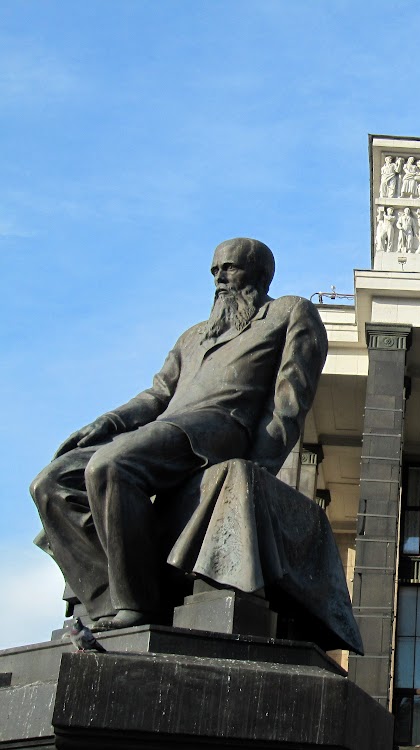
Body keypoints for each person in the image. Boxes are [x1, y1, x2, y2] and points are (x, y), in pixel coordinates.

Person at [30, 238, 326, 631]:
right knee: (50, 483)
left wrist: (260, 465)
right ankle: (111, 595)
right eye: (215, 270)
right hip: (165, 427)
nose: (219, 277)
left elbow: (292, 395)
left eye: (230, 268)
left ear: (258, 274)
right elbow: (157, 395)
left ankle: (138, 606)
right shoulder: (193, 336)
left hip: (221, 427)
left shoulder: (288, 312)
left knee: (111, 465)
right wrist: (108, 422)